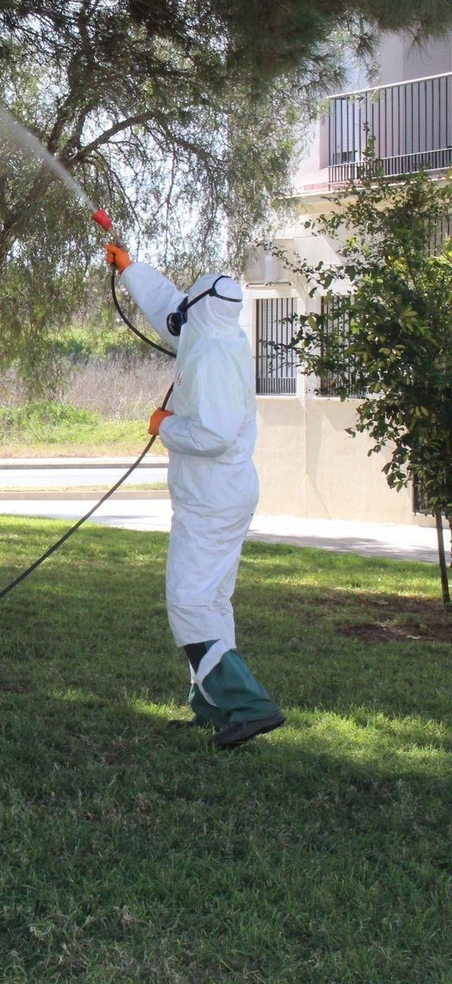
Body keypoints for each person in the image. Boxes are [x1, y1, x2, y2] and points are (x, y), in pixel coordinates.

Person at [106, 242, 285, 749]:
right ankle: (213, 708)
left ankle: (251, 705)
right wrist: (131, 269)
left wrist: (166, 426)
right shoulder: (209, 334)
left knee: (187, 599)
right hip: (217, 495)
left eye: (189, 303)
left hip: (213, 498)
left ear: (202, 306)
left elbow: (215, 434)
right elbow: (169, 309)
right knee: (211, 600)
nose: (180, 311)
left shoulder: (212, 356)